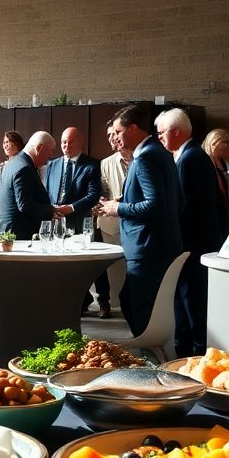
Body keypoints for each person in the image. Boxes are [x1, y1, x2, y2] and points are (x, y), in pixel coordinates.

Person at [96, 105, 183, 338]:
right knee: (131, 301)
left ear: (133, 128)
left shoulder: (144, 158)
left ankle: (150, 358)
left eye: (118, 131)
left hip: (148, 248)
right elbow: (174, 199)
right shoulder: (160, 152)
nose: (114, 137)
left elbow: (155, 204)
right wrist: (126, 199)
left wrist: (118, 208)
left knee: (141, 309)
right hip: (159, 245)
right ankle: (152, 354)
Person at [159, 108, 225, 358]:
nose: (160, 138)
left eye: (162, 132)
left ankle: (194, 359)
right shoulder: (191, 155)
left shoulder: (190, 158)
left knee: (192, 305)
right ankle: (187, 353)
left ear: (176, 132)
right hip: (197, 242)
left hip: (193, 244)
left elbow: (184, 206)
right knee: (187, 305)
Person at [93, 120, 131, 319]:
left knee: (131, 271)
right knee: (109, 271)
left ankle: (130, 308)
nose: (112, 138)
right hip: (111, 225)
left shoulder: (140, 159)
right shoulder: (106, 163)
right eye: (108, 135)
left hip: (136, 224)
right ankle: (106, 302)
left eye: (115, 134)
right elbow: (103, 192)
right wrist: (102, 200)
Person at [0, 131, 57, 240]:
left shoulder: (13, 163)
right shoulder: (25, 168)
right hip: (20, 235)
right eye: (50, 151)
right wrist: (53, 210)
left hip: (9, 233)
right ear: (39, 148)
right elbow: (25, 205)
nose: (50, 156)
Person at [0, 130, 25, 197]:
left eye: (7, 142)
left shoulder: (26, 165)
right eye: (4, 143)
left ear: (17, 143)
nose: (5, 145)